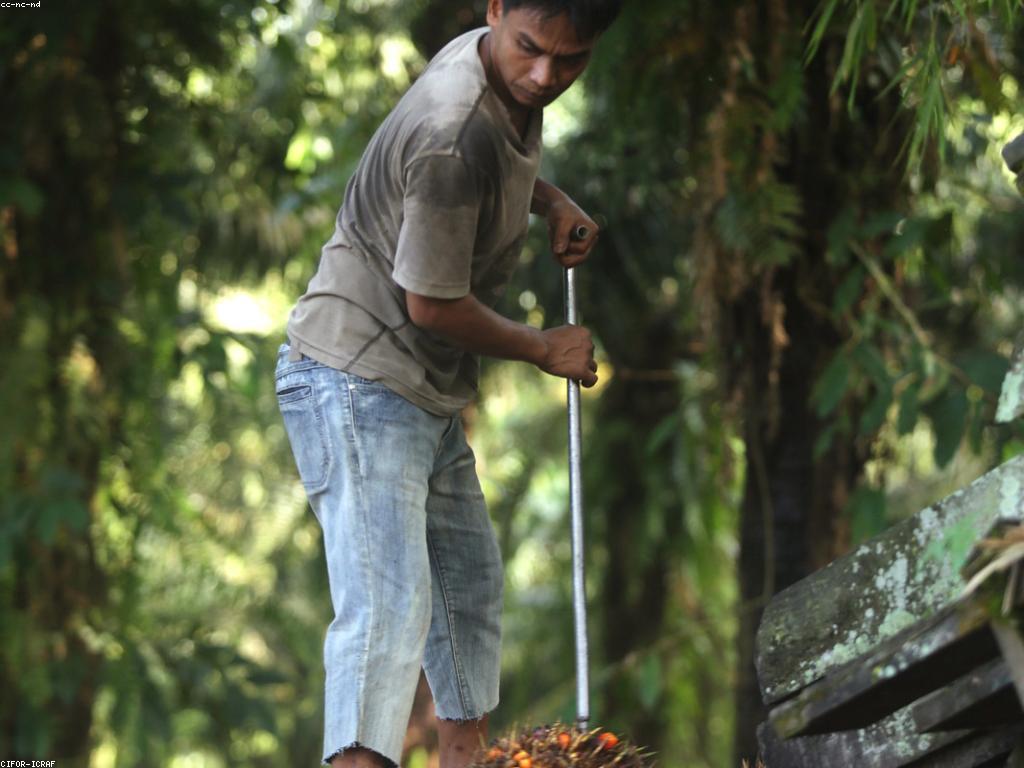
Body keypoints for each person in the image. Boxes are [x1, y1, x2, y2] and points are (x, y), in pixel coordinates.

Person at [274, 1, 620, 766]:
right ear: (495, 8)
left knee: (467, 595)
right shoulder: (451, 129)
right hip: (354, 377)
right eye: (530, 49)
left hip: (421, 393)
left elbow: (494, 156)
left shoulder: (489, 69)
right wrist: (540, 347)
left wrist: (551, 198)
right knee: (387, 613)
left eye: (569, 62)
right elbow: (430, 304)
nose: (543, 76)